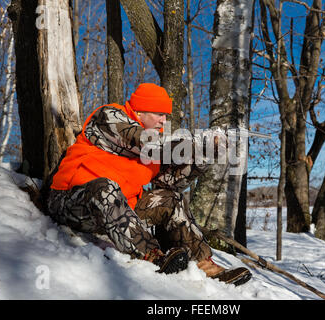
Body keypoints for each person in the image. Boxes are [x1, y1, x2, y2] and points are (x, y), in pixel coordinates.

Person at [47, 83, 251, 286]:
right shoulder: (109, 117)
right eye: (159, 113)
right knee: (105, 188)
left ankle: (203, 264)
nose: (164, 120)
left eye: (166, 115)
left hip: (120, 211)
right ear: (139, 110)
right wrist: (194, 142)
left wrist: (205, 154)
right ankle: (152, 256)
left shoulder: (154, 149)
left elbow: (171, 182)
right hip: (72, 201)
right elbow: (142, 141)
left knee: (172, 199)